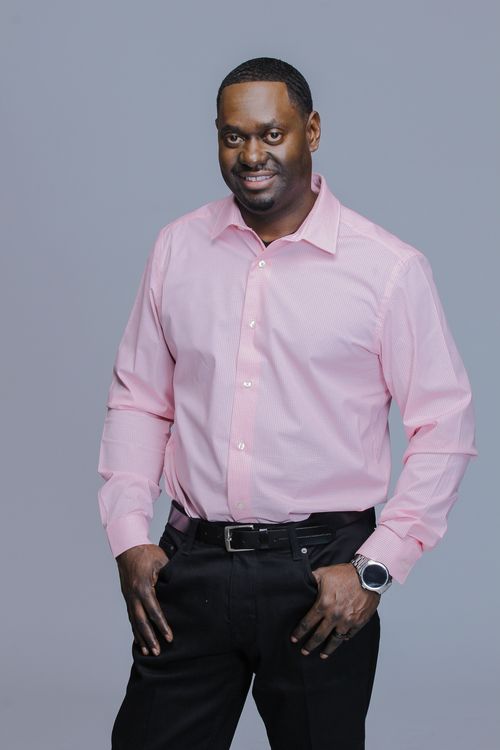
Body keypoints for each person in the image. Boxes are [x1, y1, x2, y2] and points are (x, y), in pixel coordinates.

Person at [97, 57, 478, 749]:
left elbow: (444, 428)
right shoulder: (178, 249)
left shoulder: (387, 269)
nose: (252, 156)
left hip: (322, 577)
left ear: (312, 131)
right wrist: (128, 534)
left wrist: (376, 568)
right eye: (234, 136)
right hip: (193, 564)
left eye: (272, 134)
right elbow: (139, 400)